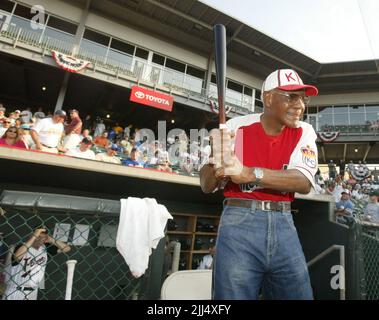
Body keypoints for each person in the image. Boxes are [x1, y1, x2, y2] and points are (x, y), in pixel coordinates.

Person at [200, 69, 319, 300]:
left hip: (284, 221)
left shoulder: (303, 131)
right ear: (268, 98)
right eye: (291, 97)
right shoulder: (238, 127)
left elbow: (303, 182)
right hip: (239, 220)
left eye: (303, 98)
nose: (300, 105)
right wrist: (217, 161)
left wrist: (249, 173)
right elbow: (206, 185)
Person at [3, 227, 71, 300]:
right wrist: (34, 237)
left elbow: (67, 248)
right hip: (16, 290)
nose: (39, 238)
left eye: (43, 237)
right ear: (31, 235)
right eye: (37, 236)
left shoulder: (45, 249)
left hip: (33, 292)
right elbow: (17, 256)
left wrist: (51, 239)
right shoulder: (21, 246)